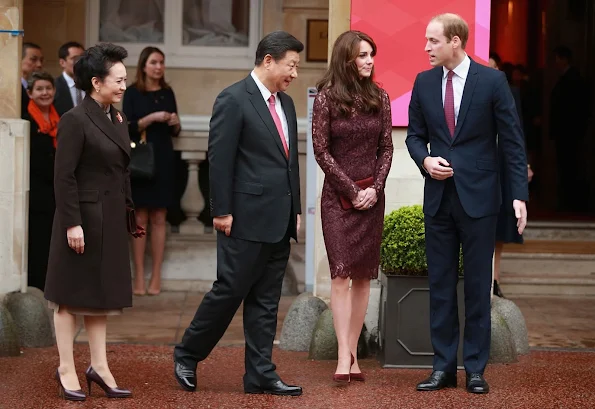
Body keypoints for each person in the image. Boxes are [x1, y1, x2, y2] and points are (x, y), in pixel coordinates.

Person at [173, 31, 303, 396]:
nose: (294, 73)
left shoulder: (287, 104)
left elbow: (289, 162)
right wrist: (221, 211)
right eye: (291, 65)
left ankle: (260, 373)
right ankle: (187, 354)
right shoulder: (233, 98)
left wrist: (295, 210)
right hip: (243, 217)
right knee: (229, 291)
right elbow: (220, 159)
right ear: (268, 60)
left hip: (279, 219)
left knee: (266, 300)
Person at [405, 14, 528, 394]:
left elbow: (511, 140)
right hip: (439, 200)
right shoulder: (424, 83)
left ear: (456, 41)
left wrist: (518, 195)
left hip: (480, 199)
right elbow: (413, 136)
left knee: (477, 287)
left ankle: (475, 368)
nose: (426, 47)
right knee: (440, 287)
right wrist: (424, 161)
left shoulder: (492, 81)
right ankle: (443, 368)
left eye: (433, 41)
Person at [44, 43, 145, 402]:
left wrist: (129, 212)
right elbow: (64, 177)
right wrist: (72, 223)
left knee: (100, 297)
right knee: (69, 298)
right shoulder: (74, 120)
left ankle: (99, 367)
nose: (123, 85)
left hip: (111, 217)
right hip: (82, 219)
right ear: (95, 82)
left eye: (124, 79)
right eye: (117, 80)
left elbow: (122, 172)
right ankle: (67, 367)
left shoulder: (116, 117)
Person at [312, 30, 393, 383]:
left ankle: (353, 353)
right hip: (337, 201)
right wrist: (350, 188)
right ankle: (343, 356)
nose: (369, 61)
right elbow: (321, 150)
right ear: (346, 58)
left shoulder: (381, 96)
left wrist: (375, 188)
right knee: (341, 274)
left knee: (363, 278)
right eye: (362, 55)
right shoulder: (326, 98)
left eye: (371, 54)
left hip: (372, 198)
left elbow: (387, 148)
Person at [123, 46, 181, 296]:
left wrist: (175, 123)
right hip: (140, 159)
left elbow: (174, 131)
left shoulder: (168, 91)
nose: (159, 67)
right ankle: (138, 276)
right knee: (139, 218)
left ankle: (156, 274)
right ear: (144, 66)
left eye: (162, 62)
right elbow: (126, 126)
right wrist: (151, 118)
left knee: (159, 218)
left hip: (164, 159)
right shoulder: (133, 92)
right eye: (154, 62)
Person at [488, 52, 534, 298]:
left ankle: (495, 280)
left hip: (505, 164)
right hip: (482, 165)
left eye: (495, 67)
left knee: (503, 223)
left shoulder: (510, 92)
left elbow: (517, 133)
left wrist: (523, 163)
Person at [22, 71, 59, 291]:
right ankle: (36, 289)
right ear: (30, 93)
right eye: (39, 89)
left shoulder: (60, 118)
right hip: (35, 192)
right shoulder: (26, 120)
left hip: (56, 192)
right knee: (37, 242)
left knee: (51, 243)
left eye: (48, 88)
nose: (45, 93)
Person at [54, 41, 86, 116]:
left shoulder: (91, 85)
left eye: (81, 58)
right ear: (62, 62)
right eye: (74, 58)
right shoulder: (54, 87)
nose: (79, 62)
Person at [20, 42, 44, 115]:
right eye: (33, 59)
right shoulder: (12, 89)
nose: (39, 64)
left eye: (41, 60)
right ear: (19, 59)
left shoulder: (36, 86)